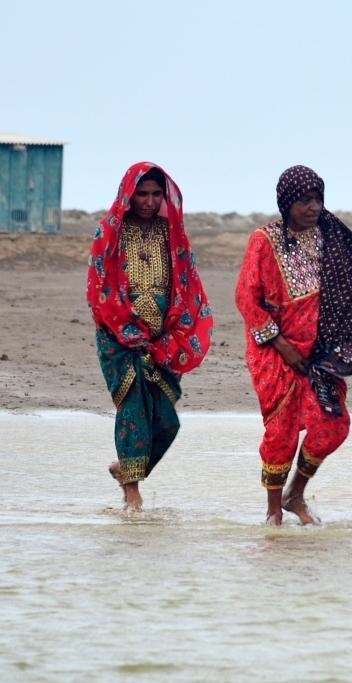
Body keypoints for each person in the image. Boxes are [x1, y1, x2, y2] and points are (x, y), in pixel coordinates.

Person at [236, 165, 352, 525]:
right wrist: (282, 344)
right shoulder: (264, 240)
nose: (313, 207)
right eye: (304, 200)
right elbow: (246, 299)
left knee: (333, 424)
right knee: (281, 430)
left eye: (317, 199)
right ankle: (272, 513)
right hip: (274, 350)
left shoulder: (331, 234)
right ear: (286, 202)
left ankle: (294, 493)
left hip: (319, 351)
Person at [86, 162, 214, 511]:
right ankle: (133, 493)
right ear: (128, 194)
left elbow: (187, 284)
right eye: (142, 193)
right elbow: (99, 288)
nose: (149, 201)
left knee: (166, 422)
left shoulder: (172, 234)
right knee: (132, 409)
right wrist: (129, 330)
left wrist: (170, 332)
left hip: (163, 340)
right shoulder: (109, 233)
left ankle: (126, 470)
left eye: (157, 194)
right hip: (119, 338)